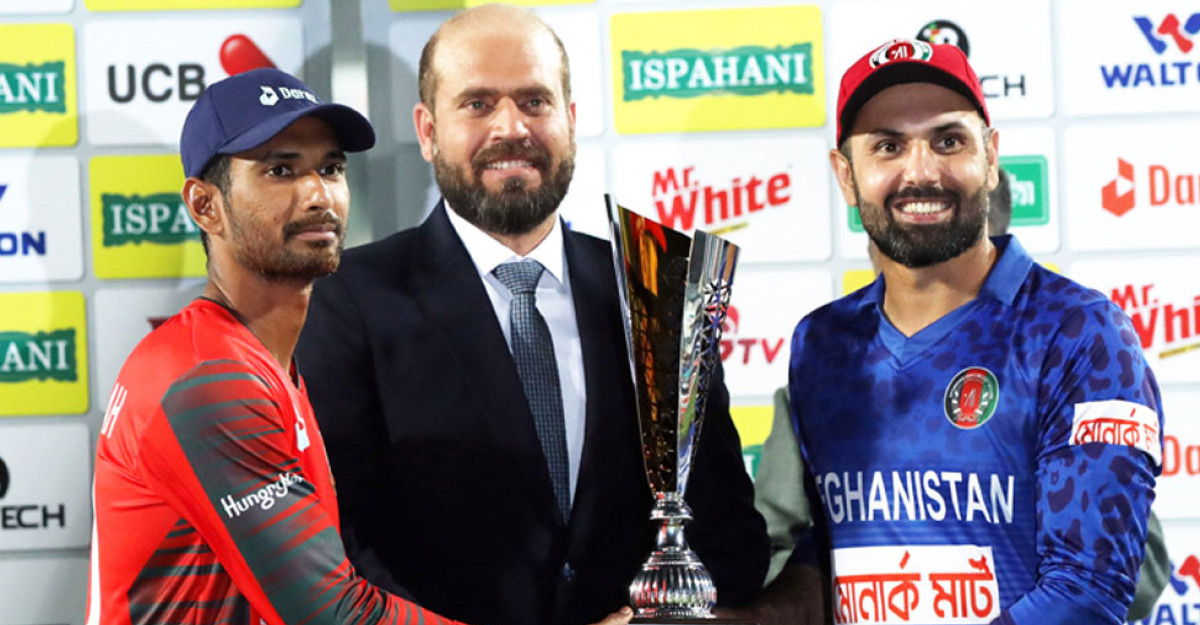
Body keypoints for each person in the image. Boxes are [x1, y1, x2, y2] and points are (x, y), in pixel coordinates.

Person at [86, 67, 634, 625]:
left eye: (330, 168)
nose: (318, 195)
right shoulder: (209, 379)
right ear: (206, 206)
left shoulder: (263, 363)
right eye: (280, 170)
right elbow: (333, 614)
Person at [294, 6, 768, 625]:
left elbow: (729, 537)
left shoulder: (657, 290)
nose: (511, 127)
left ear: (570, 120)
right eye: (478, 104)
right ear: (429, 131)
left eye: (535, 102)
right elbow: (336, 548)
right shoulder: (346, 301)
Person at [746, 39, 1164, 625]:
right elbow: (836, 552)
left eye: (948, 141)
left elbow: (1088, 590)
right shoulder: (823, 345)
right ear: (846, 175)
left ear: (990, 158)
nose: (921, 172)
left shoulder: (1079, 332)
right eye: (888, 146)